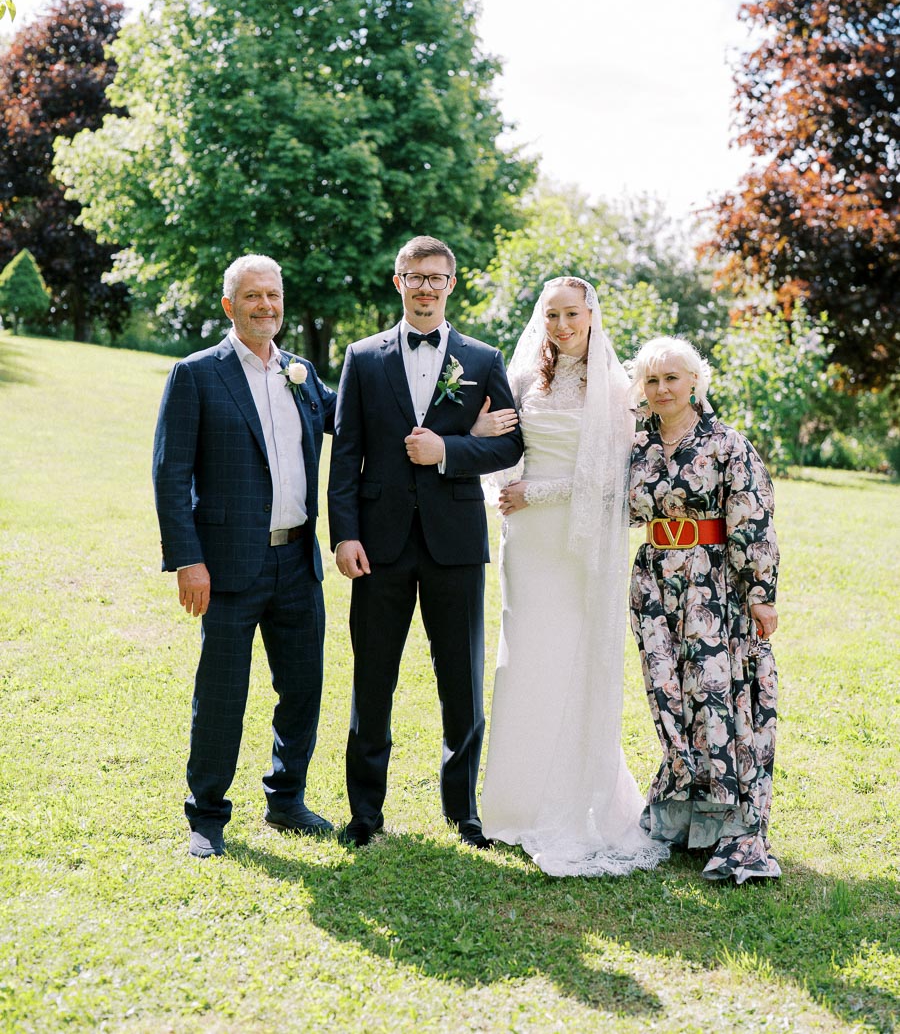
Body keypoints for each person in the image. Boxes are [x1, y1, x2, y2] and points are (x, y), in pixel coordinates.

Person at [327, 235, 524, 849]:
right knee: (373, 678)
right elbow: (346, 456)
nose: (426, 287)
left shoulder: (482, 358)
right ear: (398, 282)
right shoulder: (362, 358)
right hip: (378, 545)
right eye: (415, 277)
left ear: (451, 285)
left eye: (437, 278)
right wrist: (344, 535)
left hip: (455, 542)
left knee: (461, 680)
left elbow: (511, 444)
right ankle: (365, 811)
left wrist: (450, 451)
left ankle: (462, 810)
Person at [480, 277, 668, 877]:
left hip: (577, 540)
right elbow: (501, 451)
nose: (562, 325)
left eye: (571, 314)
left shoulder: (615, 388)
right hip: (528, 543)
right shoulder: (522, 380)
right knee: (526, 657)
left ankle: (574, 796)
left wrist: (538, 491)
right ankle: (517, 798)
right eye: (552, 315)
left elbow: (613, 482)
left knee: (572, 659)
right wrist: (503, 484)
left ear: (591, 315)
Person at [152, 254, 336, 858]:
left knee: (303, 688)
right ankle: (206, 816)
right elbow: (171, 472)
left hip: (297, 564)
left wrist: (460, 419)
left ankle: (286, 800)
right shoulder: (197, 373)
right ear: (229, 305)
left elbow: (361, 418)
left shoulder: (302, 373)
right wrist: (187, 559)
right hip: (226, 566)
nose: (266, 306)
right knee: (224, 694)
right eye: (252, 296)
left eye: (274, 296)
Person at [628, 335, 780, 883]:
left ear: (695, 381)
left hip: (713, 585)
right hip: (652, 585)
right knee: (668, 696)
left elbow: (752, 517)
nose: (662, 388)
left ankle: (733, 825)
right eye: (652, 380)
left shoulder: (727, 444)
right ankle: (688, 812)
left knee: (717, 697)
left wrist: (760, 593)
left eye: (672, 377)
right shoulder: (634, 445)